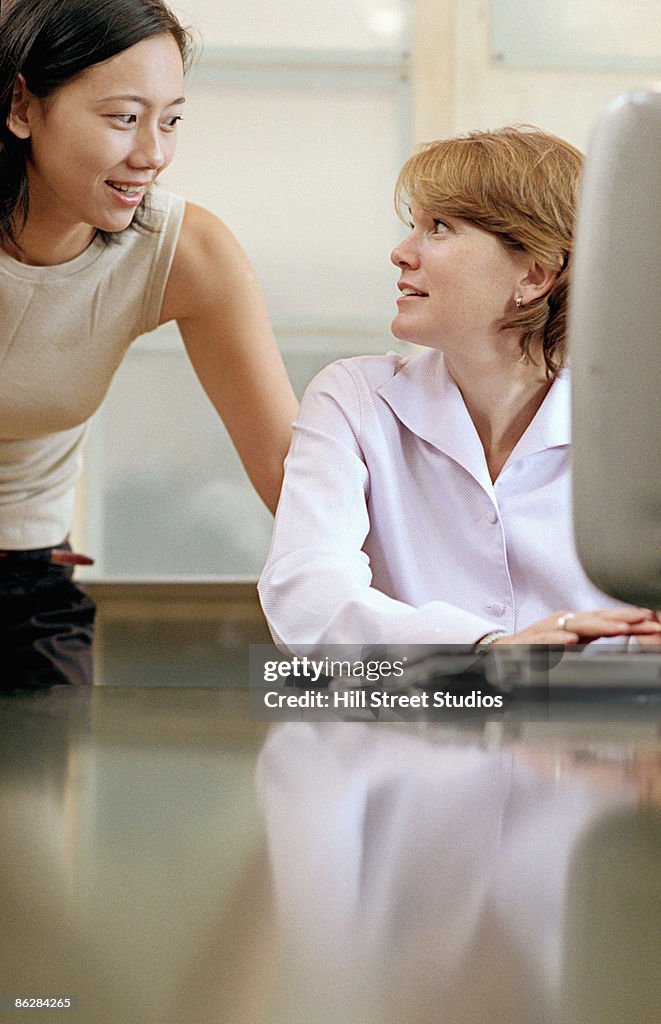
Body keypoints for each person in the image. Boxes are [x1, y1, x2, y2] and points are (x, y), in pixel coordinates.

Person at [258, 126, 661, 653]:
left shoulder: (638, 424)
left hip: (608, 724)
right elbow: (305, 588)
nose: (401, 253)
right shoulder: (355, 399)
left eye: (440, 227)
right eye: (413, 226)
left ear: (535, 274)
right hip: (417, 724)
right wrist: (483, 650)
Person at [0, 0, 298, 687]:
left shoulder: (184, 249)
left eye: (169, 120)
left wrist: (466, 624)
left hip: (29, 581)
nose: (152, 154)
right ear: (22, 106)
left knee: (49, 784)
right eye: (123, 118)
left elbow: (288, 469)